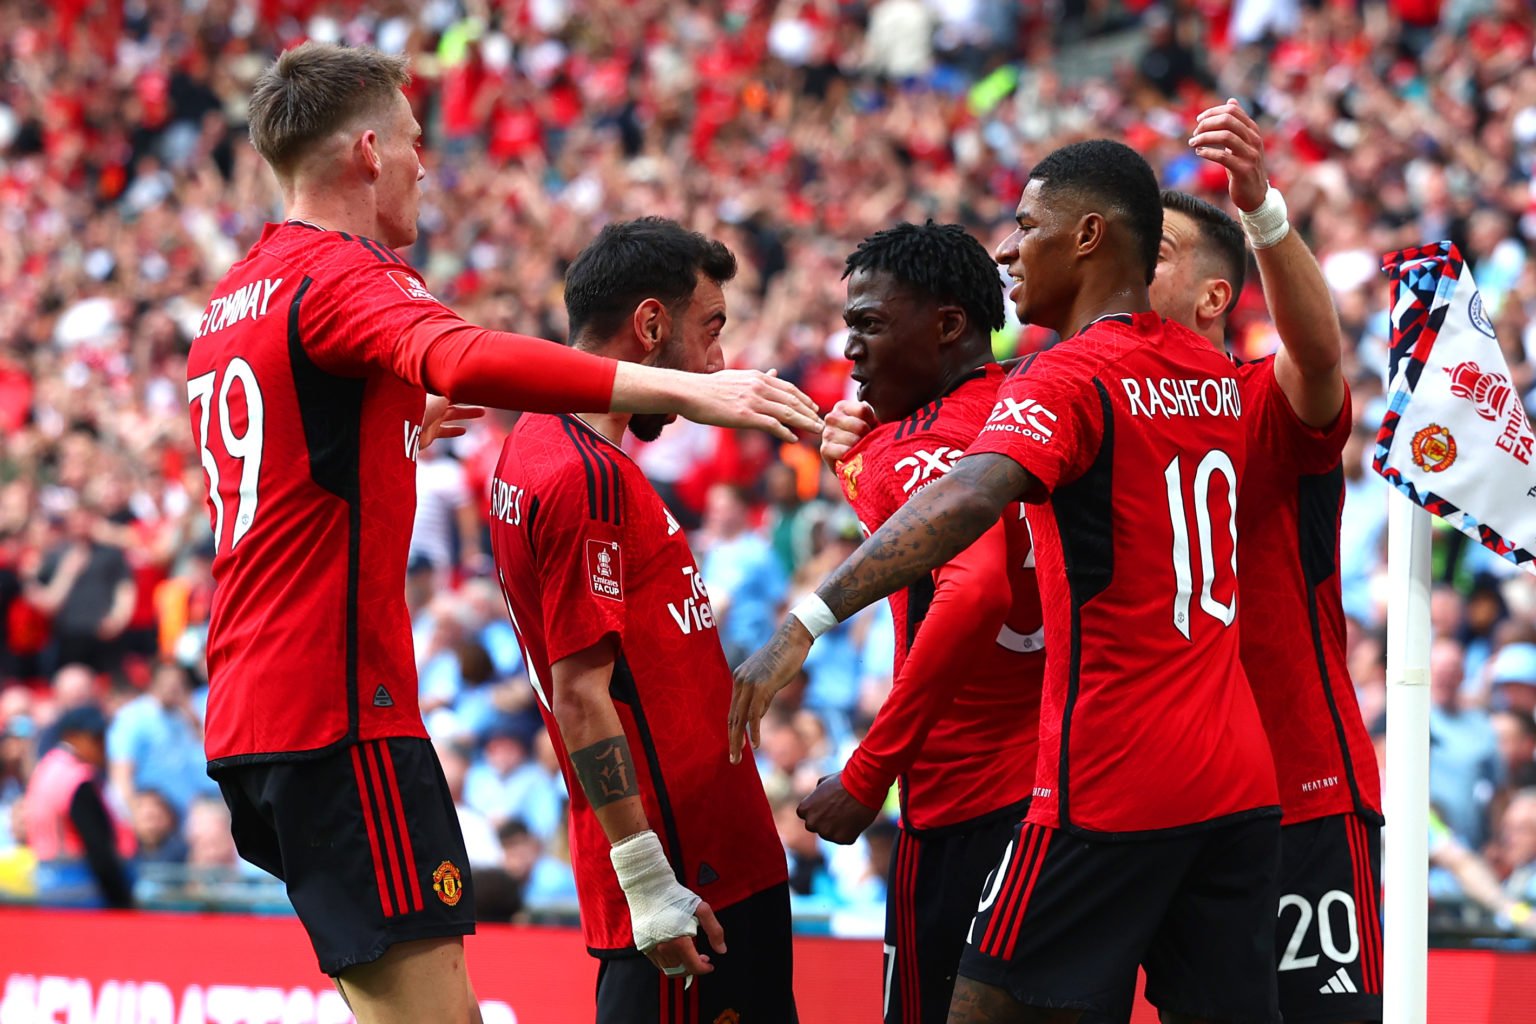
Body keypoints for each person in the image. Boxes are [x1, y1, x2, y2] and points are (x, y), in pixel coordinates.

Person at [188, 43, 819, 1024]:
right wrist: (690, 389)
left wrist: (393, 422)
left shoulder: (231, 301)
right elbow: (461, 355)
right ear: (365, 150)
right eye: (411, 142)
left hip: (250, 713)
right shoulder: (344, 276)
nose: (424, 164)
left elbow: (290, 453)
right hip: (340, 711)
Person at [731, 139, 1281, 1023]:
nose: (1010, 249)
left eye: (1028, 226)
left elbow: (972, 503)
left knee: (978, 1009)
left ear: (1090, 236)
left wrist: (804, 623)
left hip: (1107, 776)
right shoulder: (1211, 372)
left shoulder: (1068, 374)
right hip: (1237, 778)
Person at [489, 218, 795, 1022]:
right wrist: (649, 878)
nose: (719, 362)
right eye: (712, 328)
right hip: (691, 883)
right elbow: (583, 695)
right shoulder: (583, 477)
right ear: (651, 325)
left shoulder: (535, 443)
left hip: (706, 858)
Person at [1154, 100, 1385, 1020]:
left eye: (1158, 255)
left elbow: (1319, 355)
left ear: (1216, 296)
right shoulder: (1089, 407)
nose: (1133, 269)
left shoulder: (1261, 398)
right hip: (1163, 809)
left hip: (1302, 793)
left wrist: (1262, 213)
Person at [793, 221, 1042, 1024]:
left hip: (969, 804)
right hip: (1063, 793)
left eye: (869, 324)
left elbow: (973, 592)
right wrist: (855, 463)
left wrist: (868, 775)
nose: (851, 350)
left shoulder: (918, 446)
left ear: (947, 326)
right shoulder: (1041, 400)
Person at [21, 704, 135, 908]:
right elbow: (97, 846)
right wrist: (122, 900)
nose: (102, 744)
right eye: (95, 737)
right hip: (80, 884)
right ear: (71, 736)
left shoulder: (47, 767)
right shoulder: (76, 778)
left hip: (48, 881)